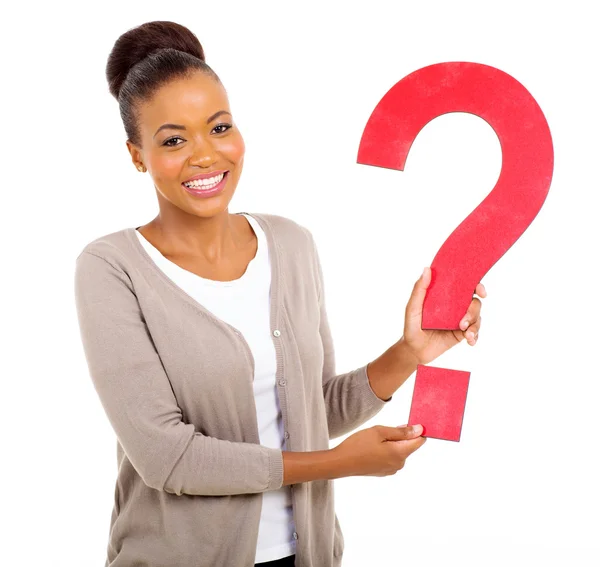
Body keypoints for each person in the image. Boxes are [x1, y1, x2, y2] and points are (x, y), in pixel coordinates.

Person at [73, 20, 485, 567]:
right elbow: (167, 458)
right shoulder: (112, 268)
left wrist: (409, 352)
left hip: (307, 555)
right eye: (173, 140)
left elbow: (312, 411)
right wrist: (337, 464)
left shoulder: (290, 244)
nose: (204, 155)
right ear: (136, 155)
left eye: (219, 128)